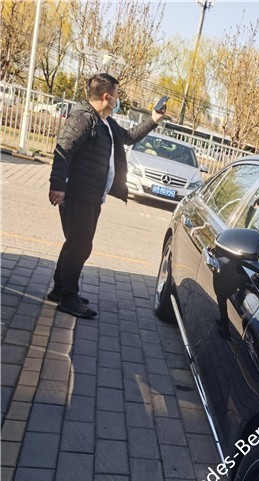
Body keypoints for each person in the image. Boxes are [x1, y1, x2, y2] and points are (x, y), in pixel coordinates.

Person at [48, 73, 166, 318]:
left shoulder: (105, 122)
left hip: (91, 196)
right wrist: (57, 185)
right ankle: (68, 298)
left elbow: (129, 137)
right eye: (117, 94)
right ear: (106, 97)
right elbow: (63, 150)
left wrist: (154, 119)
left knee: (75, 244)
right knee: (80, 246)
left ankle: (60, 290)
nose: (118, 99)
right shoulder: (83, 118)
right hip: (77, 194)